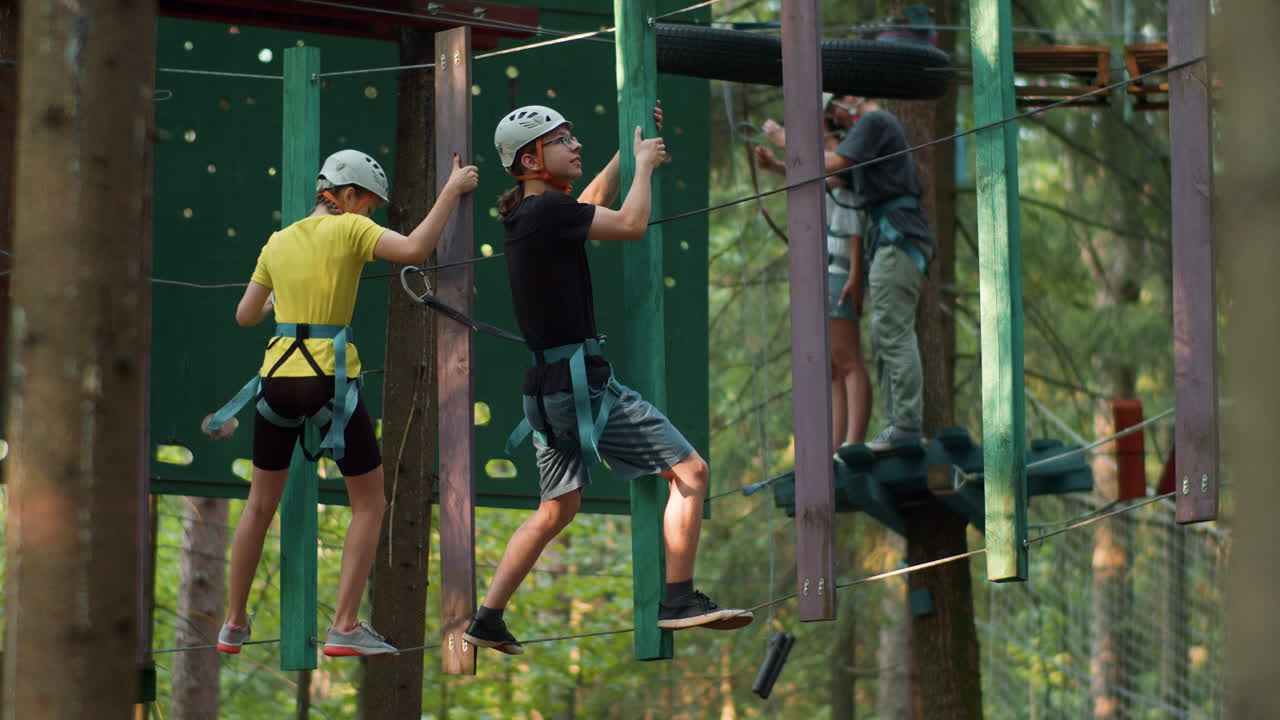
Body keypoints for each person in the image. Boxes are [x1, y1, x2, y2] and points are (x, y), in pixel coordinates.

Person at [462, 104, 752, 656]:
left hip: (546, 394)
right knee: (690, 471)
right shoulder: (546, 211)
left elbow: (588, 207)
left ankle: (488, 617)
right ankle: (679, 600)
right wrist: (643, 167)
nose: (575, 146)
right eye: (562, 140)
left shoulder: (534, 213)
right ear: (531, 159)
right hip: (580, 389)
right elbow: (630, 224)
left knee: (556, 510)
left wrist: (625, 152)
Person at [202, 148, 479, 656]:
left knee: (260, 504)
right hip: (328, 381)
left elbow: (245, 315)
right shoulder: (350, 229)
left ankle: (233, 623)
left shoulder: (278, 242)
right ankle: (345, 625)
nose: (369, 216)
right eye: (369, 205)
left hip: (276, 380)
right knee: (370, 503)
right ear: (348, 196)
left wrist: (281, 301)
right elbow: (417, 247)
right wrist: (452, 190)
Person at [754, 93, 873, 450]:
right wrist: (776, 166)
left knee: (848, 359)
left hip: (840, 265)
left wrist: (855, 273)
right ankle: (835, 449)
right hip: (823, 268)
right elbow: (813, 178)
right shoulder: (827, 158)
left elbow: (849, 208)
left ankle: (853, 444)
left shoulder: (841, 151)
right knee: (833, 367)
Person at [824, 97, 934, 452]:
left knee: (893, 330)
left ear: (850, 99)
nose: (837, 123)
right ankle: (898, 424)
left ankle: (905, 424)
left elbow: (833, 161)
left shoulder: (874, 122)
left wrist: (787, 143)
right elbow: (828, 175)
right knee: (883, 334)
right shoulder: (869, 137)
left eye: (834, 113)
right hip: (892, 240)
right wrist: (779, 164)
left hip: (897, 237)